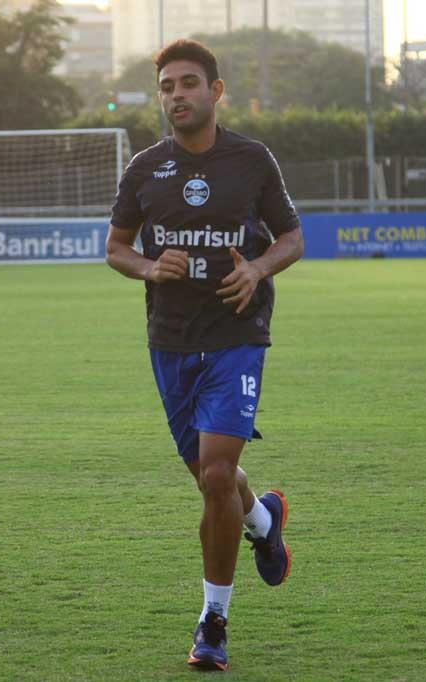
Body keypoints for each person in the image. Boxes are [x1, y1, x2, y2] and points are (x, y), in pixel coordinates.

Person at [105, 40, 304, 671]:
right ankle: (265, 523)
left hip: (237, 336)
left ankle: (212, 622)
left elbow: (293, 236)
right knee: (211, 481)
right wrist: (146, 268)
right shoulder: (143, 169)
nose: (176, 95)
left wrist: (260, 268)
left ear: (216, 91)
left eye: (189, 83)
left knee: (217, 476)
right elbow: (115, 247)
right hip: (171, 341)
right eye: (167, 86)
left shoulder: (252, 160)